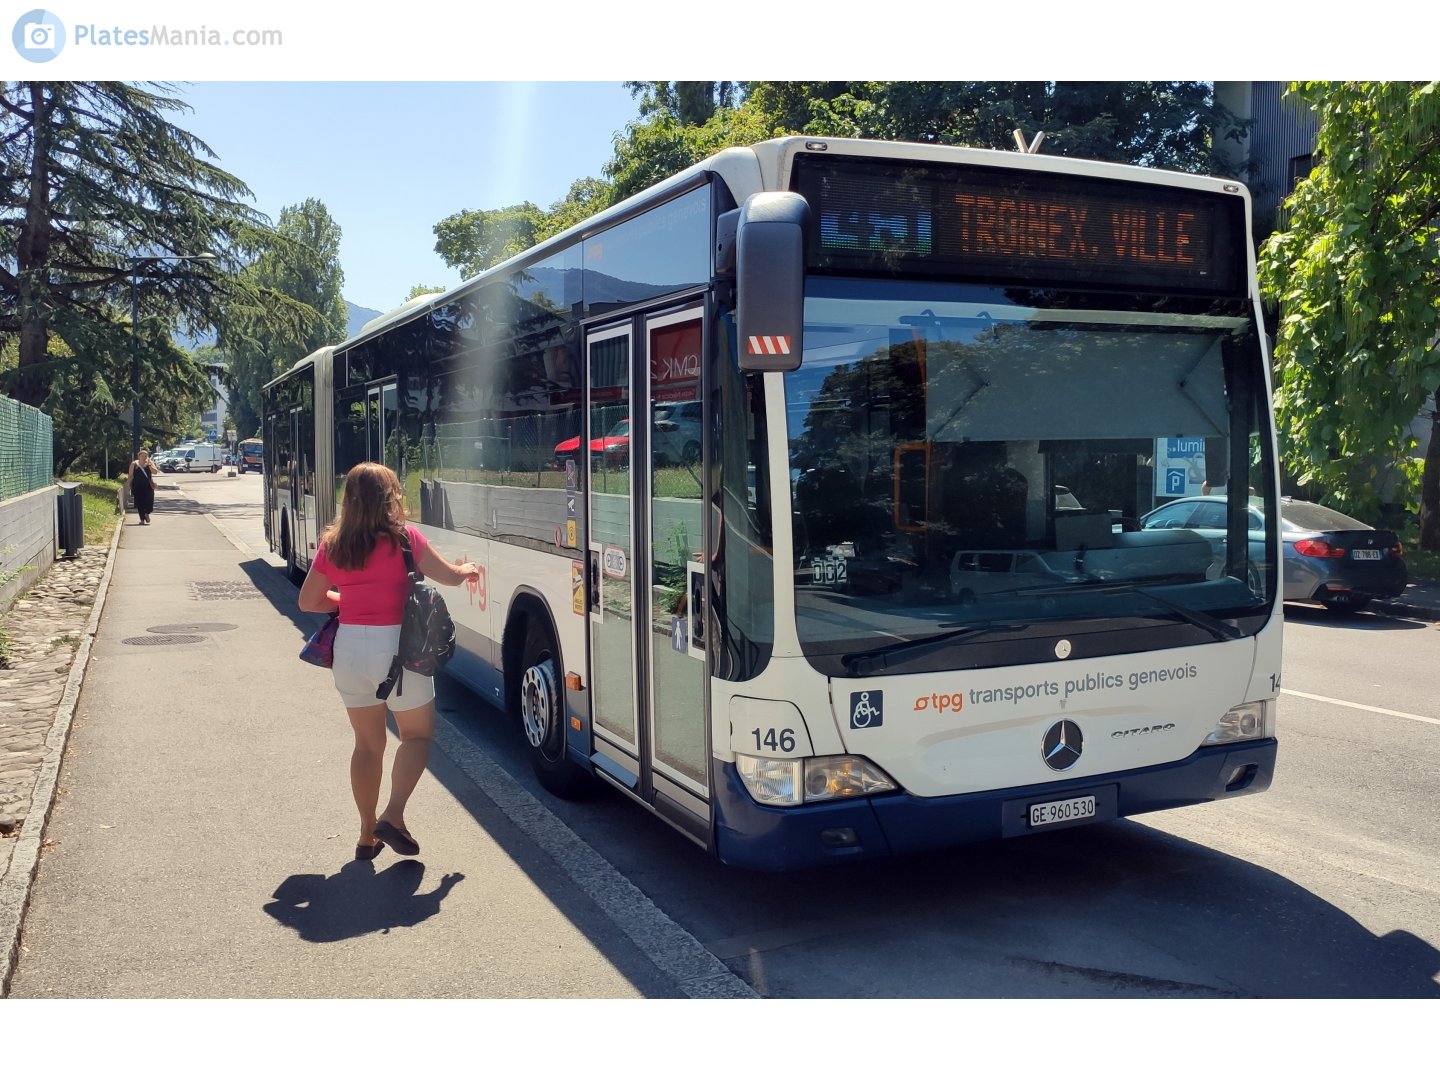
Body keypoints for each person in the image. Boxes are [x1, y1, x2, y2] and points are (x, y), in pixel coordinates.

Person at [297, 461, 480, 863]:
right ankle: (393, 816)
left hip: (349, 652)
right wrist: (466, 569)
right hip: (400, 653)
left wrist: (351, 601)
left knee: (367, 745)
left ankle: (366, 836)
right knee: (415, 737)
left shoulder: (334, 545)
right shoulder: (405, 540)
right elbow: (448, 577)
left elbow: (308, 602)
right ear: (391, 496)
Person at [128, 448, 158, 525]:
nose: (144, 457)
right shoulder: (134, 464)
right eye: (142, 456)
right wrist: (128, 485)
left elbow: (155, 472)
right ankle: (142, 519)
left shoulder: (150, 463)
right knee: (139, 503)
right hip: (137, 486)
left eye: (146, 456)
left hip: (148, 486)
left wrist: (150, 465)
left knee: (149, 501)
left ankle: (147, 513)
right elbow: (131, 476)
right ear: (139, 456)